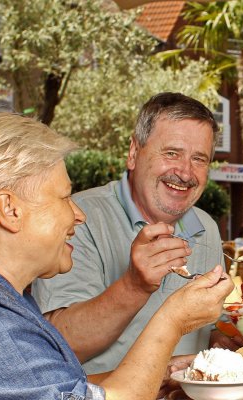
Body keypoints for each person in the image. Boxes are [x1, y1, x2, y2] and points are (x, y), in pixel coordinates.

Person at [0, 114, 232, 399]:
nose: (77, 213)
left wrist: (160, 373)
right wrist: (172, 321)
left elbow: (56, 387)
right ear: (9, 209)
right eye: (64, 197)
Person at [31, 92, 226, 374]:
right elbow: (59, 344)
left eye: (199, 159)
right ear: (134, 153)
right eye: (172, 153)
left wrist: (229, 338)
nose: (185, 172)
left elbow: (207, 330)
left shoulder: (206, 226)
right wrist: (134, 286)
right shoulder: (78, 219)